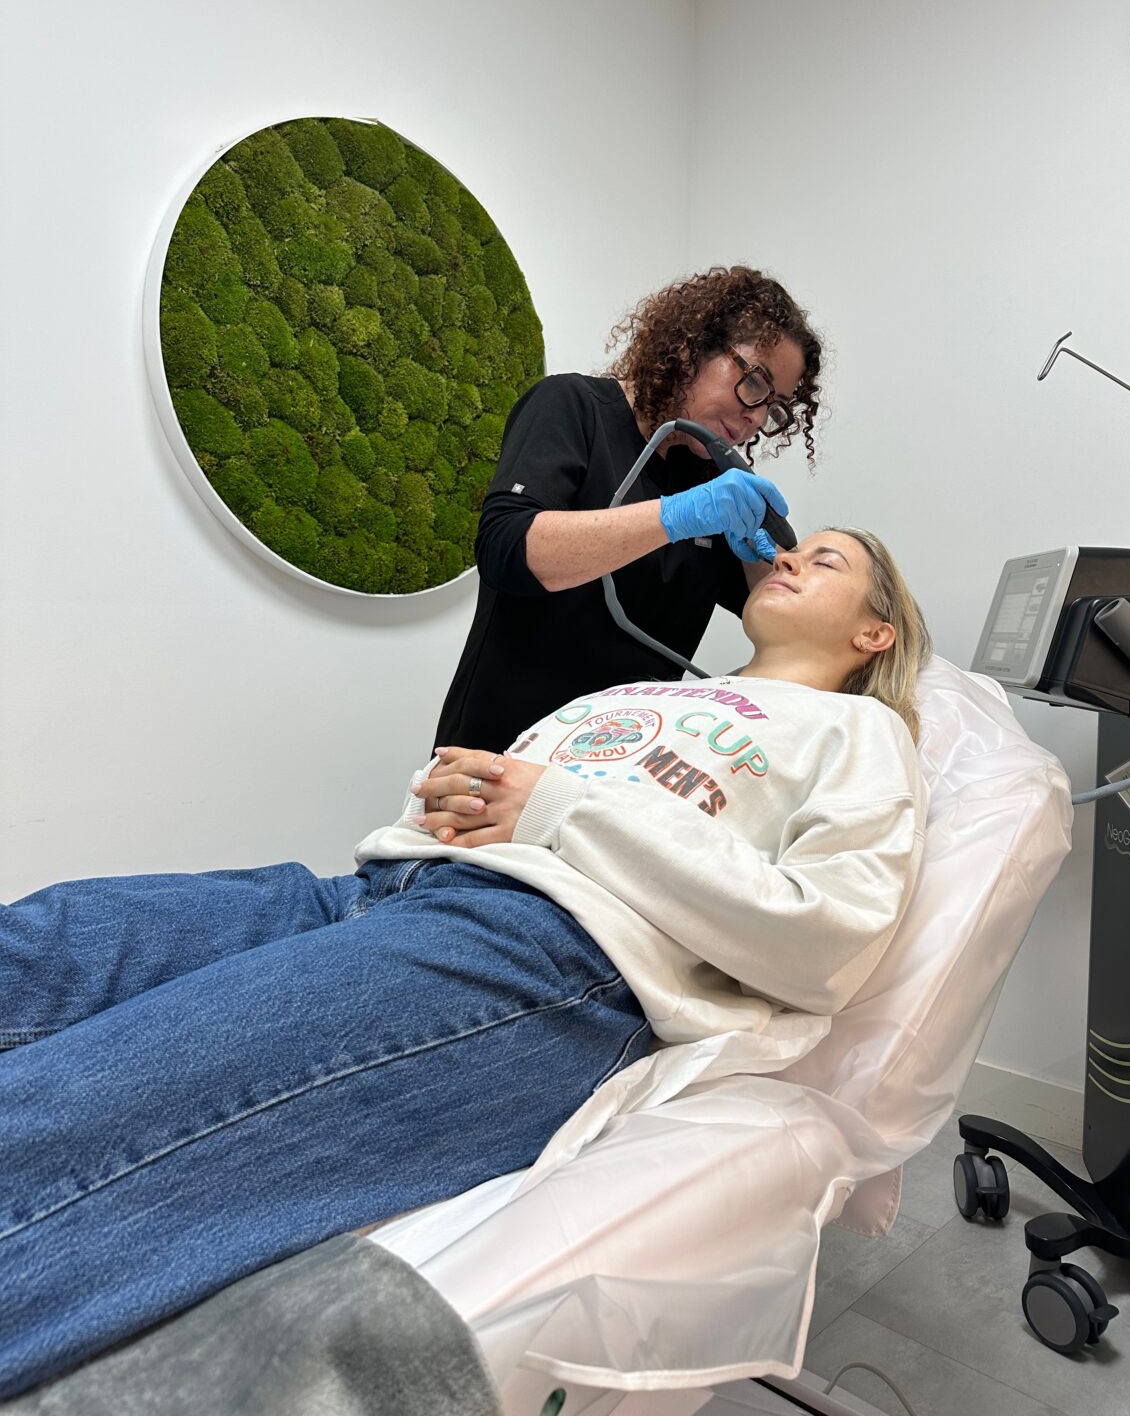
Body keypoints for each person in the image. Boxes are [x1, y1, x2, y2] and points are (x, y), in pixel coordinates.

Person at [0, 529, 929, 1401]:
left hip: (545, 947)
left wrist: (559, 809)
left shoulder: (859, 734)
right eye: (796, 549)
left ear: (873, 631)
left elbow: (829, 942)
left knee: (86, 1102)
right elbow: (503, 800)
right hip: (374, 888)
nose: (789, 558)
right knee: (49, 939)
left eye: (828, 561)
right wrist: (449, 797)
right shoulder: (639, 694)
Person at [434, 265, 825, 754]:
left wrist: (762, 553)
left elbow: (781, 618)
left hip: (615, 770)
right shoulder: (572, 406)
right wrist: (675, 516)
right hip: (498, 751)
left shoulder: (712, 480)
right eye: (755, 383)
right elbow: (506, 549)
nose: (757, 415)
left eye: (776, 407)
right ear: (694, 346)